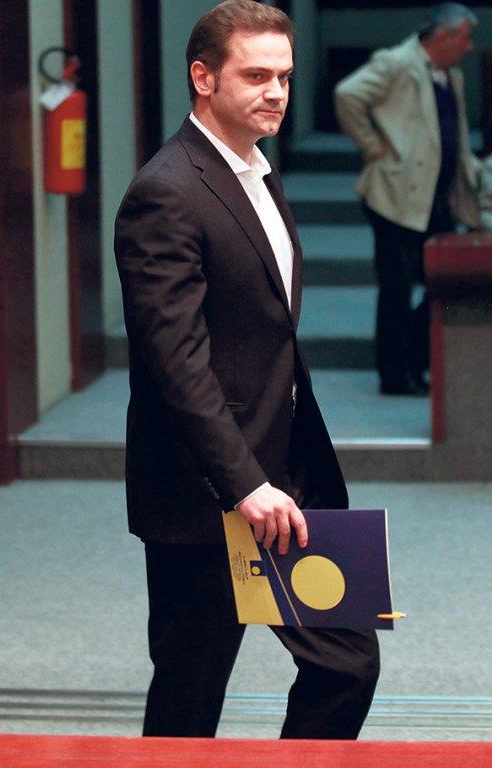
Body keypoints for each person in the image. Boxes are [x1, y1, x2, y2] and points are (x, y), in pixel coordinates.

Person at [115, 0, 379, 740]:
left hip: (286, 468)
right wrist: (243, 484)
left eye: (285, 77)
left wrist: (273, 472)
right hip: (209, 487)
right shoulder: (166, 191)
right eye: (256, 75)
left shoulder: (258, 171)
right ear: (203, 78)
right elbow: (175, 364)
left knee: (346, 663)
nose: (276, 92)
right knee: (189, 692)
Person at [335, 3, 481, 395]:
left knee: (442, 283)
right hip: (395, 197)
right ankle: (395, 375)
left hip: (436, 196)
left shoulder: (451, 73)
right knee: (397, 288)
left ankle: (418, 360)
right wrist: (372, 146)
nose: (469, 46)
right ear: (444, 36)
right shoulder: (397, 63)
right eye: (464, 38)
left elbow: (455, 133)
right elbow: (348, 94)